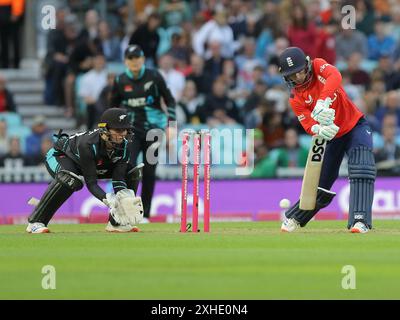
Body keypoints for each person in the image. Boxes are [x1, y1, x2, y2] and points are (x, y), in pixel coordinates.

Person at [278, 47, 376, 234]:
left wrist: (323, 101)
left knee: (362, 166)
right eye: (292, 75)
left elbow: (335, 76)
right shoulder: (295, 98)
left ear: (307, 64)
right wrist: (319, 128)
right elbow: (307, 124)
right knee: (320, 184)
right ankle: (295, 218)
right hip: (330, 137)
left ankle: (360, 220)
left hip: (355, 126)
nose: (298, 78)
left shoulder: (318, 66)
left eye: (300, 71)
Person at [26, 108, 144, 234]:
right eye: (118, 130)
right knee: (70, 179)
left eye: (124, 129)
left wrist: (123, 198)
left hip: (91, 164)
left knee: (132, 172)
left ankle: (117, 222)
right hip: (61, 156)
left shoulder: (124, 145)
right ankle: (35, 222)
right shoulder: (87, 145)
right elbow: (91, 183)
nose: (122, 134)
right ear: (104, 130)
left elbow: (118, 177)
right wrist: (108, 199)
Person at [110, 45, 176, 221]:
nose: (134, 61)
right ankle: (125, 210)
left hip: (154, 130)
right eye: (130, 58)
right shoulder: (120, 80)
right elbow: (112, 108)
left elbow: (170, 100)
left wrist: (172, 125)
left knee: (149, 171)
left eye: (137, 57)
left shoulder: (154, 76)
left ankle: (144, 214)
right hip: (131, 131)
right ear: (125, 61)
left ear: (143, 59)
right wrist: (110, 130)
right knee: (127, 167)